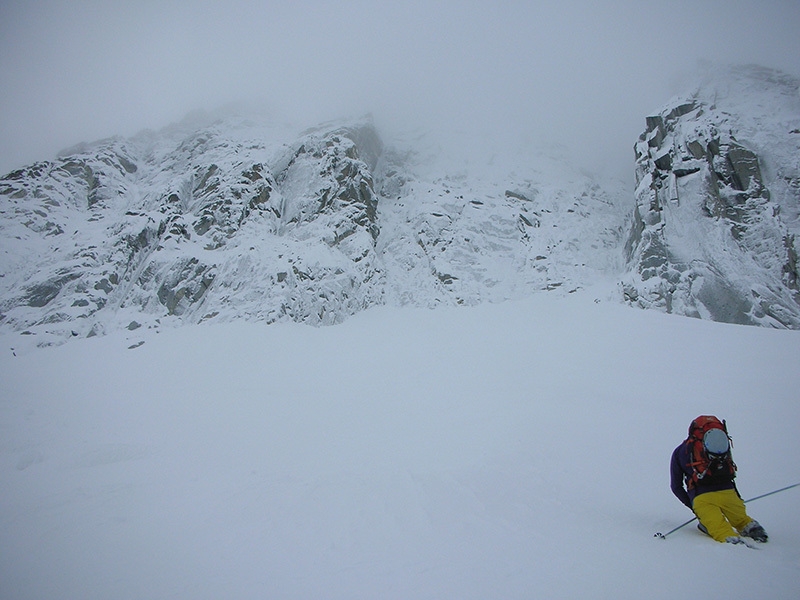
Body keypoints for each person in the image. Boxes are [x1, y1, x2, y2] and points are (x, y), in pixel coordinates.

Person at [670, 415, 768, 544]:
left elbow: (676, 486)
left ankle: (735, 545)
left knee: (720, 530)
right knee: (742, 520)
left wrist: (693, 506)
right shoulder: (719, 447)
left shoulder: (680, 451)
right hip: (729, 493)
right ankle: (752, 529)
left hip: (701, 498)